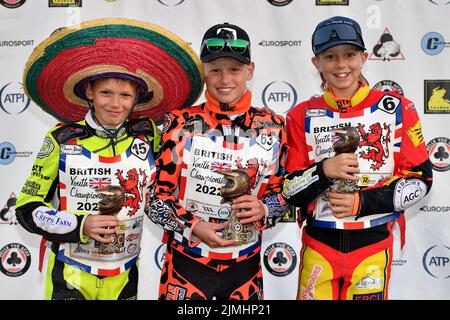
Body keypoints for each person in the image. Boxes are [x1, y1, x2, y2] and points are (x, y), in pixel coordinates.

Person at [15, 18, 204, 300]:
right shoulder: (62, 138)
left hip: (125, 274)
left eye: (125, 95)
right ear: (89, 91)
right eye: (106, 92)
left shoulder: (149, 134)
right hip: (70, 275)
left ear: (137, 97)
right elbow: (26, 209)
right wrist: (80, 225)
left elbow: (180, 175)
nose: (116, 104)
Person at [282, 16, 433, 300]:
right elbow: (289, 189)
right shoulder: (300, 115)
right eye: (330, 56)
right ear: (316, 63)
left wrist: (361, 202)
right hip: (319, 242)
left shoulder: (399, 109)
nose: (341, 65)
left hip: (372, 242)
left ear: (364, 57)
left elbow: (421, 180)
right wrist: (324, 171)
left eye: (349, 55)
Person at [147, 22, 288, 300]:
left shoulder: (274, 126)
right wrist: (192, 226)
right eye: (215, 69)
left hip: (245, 265)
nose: (225, 79)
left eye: (234, 69)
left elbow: (283, 193)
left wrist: (264, 209)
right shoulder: (177, 124)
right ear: (204, 72)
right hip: (188, 264)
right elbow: (154, 199)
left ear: (250, 70)